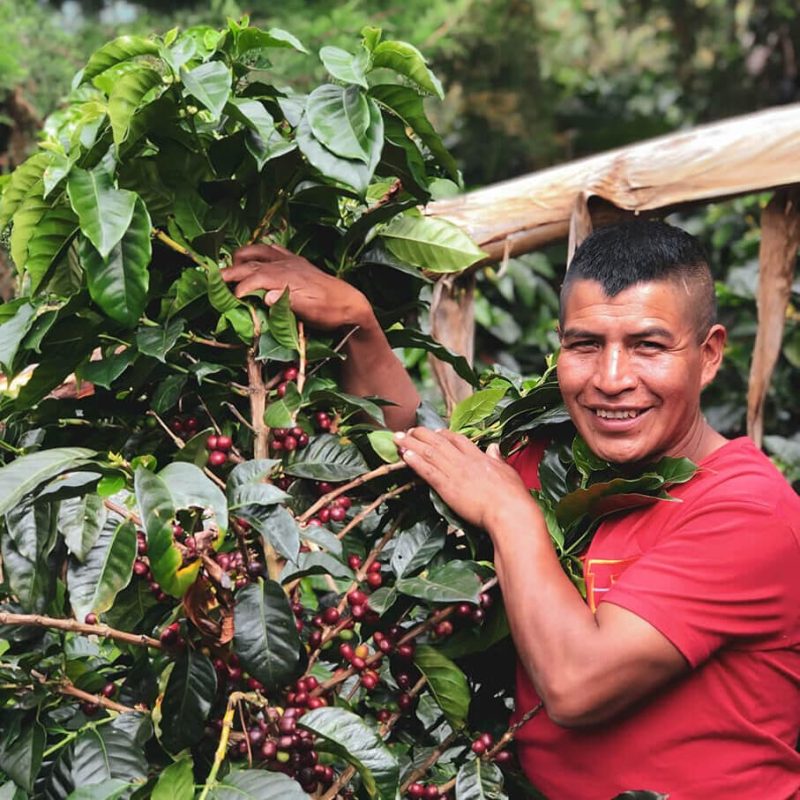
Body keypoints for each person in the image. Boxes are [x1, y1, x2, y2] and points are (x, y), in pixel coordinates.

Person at [224, 220, 800, 799]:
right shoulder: (557, 459)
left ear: (708, 354)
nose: (612, 379)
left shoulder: (748, 512)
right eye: (585, 345)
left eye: (648, 346)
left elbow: (577, 685)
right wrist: (358, 324)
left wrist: (510, 512)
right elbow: (416, 458)